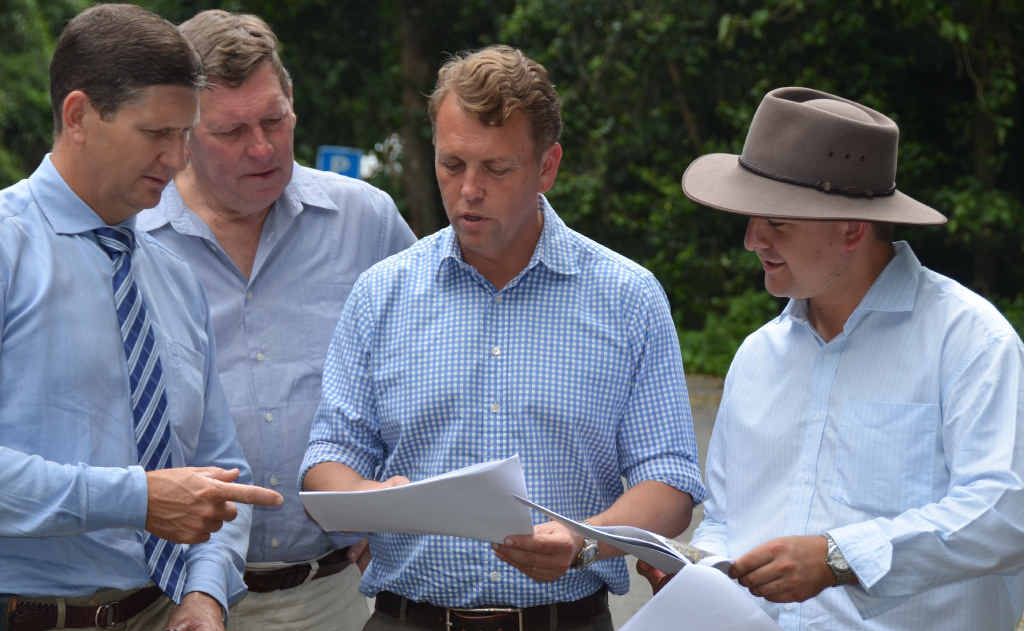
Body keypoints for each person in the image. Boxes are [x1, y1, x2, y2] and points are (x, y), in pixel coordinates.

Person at [300, 44, 706, 631]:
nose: (468, 189)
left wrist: (581, 541)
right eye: (452, 164)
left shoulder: (627, 298)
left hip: (565, 617)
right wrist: (371, 493)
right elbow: (326, 457)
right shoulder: (380, 293)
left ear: (548, 166)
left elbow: (668, 484)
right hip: (407, 618)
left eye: (495, 168)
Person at [639, 86, 1024, 630]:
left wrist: (841, 557)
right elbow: (727, 520)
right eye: (752, 218)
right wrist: (699, 572)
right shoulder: (757, 357)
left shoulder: (970, 342)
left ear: (851, 228)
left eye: (778, 222)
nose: (752, 239)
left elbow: (1006, 514)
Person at [0, 5, 284, 631]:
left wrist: (206, 593)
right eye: (157, 133)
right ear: (77, 115)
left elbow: (218, 468)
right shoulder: (8, 248)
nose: (179, 159)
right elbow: (163, 495)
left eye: (186, 134)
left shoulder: (173, 276)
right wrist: (137, 499)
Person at [136, 9, 416, 630]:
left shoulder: (363, 222)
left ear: (293, 103)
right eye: (232, 131)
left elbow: (431, 367)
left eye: (274, 120)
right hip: (168, 597)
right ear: (182, 134)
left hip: (330, 592)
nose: (261, 147)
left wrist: (398, 493)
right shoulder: (131, 238)